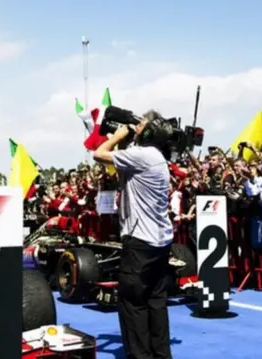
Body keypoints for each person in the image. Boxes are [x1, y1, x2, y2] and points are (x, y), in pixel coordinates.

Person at [93, 111, 175, 359]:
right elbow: (123, 177)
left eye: (140, 125)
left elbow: (98, 154)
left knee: (132, 303)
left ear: (149, 133)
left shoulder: (142, 155)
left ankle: (139, 355)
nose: (136, 127)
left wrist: (116, 136)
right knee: (155, 301)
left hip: (140, 241)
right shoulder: (156, 157)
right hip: (159, 242)